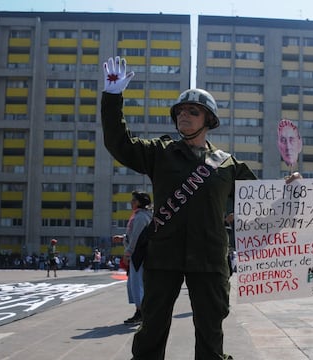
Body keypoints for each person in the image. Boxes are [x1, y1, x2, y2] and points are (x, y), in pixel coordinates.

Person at [101, 56, 274, 360]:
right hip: (164, 256)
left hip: (209, 258)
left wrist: (294, 183)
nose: (184, 116)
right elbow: (119, 144)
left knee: (210, 330)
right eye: (180, 111)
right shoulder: (160, 153)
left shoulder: (228, 165)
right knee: (152, 329)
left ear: (209, 120)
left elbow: (262, 198)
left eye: (193, 112)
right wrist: (112, 98)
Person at [113, 191, 153, 325]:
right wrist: (123, 238)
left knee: (136, 285)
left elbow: (136, 238)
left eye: (134, 200)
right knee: (135, 284)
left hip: (138, 255)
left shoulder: (141, 217)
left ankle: (141, 313)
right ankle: (140, 311)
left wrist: (127, 253)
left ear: (141, 203)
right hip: (138, 254)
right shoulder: (141, 215)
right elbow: (134, 235)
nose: (131, 202)